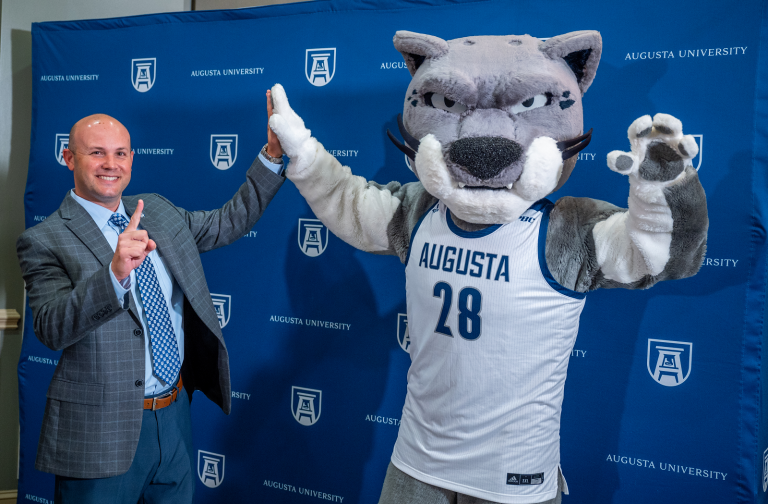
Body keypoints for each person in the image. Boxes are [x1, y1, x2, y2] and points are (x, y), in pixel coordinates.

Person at [16, 91, 285, 503]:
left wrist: (271, 154)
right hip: (99, 434)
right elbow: (52, 327)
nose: (111, 164)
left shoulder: (156, 211)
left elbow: (228, 222)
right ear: (69, 158)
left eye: (121, 153)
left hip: (174, 417)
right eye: (97, 153)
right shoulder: (44, 239)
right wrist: (114, 275)